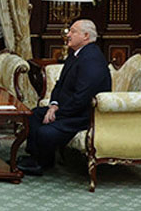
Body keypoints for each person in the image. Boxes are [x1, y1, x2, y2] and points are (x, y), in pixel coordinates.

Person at [17, 19, 111, 176]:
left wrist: (58, 114)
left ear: (86, 36)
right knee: (33, 115)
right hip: (68, 108)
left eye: (73, 31)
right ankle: (35, 157)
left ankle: (42, 164)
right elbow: (60, 84)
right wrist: (53, 105)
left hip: (84, 115)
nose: (68, 35)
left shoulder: (92, 59)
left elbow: (82, 97)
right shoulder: (76, 54)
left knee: (45, 131)